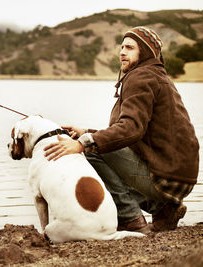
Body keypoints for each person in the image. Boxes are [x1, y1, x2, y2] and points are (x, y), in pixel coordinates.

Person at [44, 26, 200, 234]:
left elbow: (130, 130)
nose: (122, 52)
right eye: (122, 47)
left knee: (92, 153)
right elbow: (133, 132)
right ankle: (164, 209)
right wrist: (86, 131)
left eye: (129, 47)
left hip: (166, 177)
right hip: (177, 176)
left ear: (144, 52)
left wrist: (83, 143)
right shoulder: (156, 76)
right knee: (96, 145)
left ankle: (130, 218)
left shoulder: (141, 77)